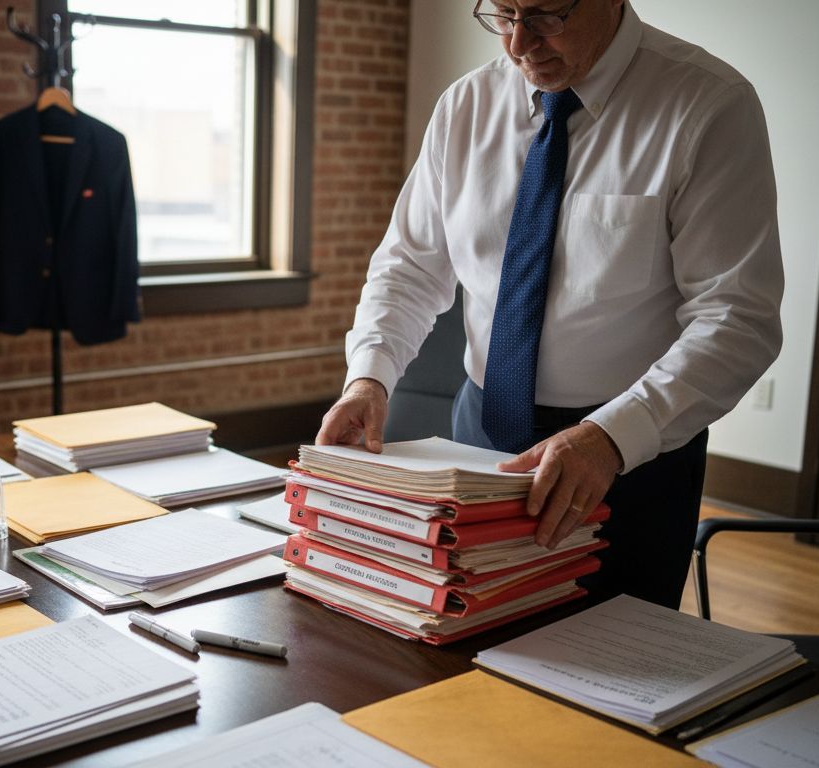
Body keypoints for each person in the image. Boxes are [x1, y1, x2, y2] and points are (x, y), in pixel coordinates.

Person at [316, 0, 784, 608]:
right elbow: (408, 265)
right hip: (478, 434)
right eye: (501, 13)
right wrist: (368, 379)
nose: (518, 43)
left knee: (609, 670)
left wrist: (610, 437)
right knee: (459, 646)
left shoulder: (707, 104)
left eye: (545, 16)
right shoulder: (466, 106)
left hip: (626, 454)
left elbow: (736, 317)